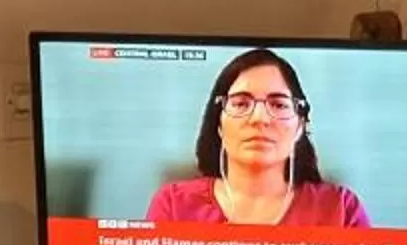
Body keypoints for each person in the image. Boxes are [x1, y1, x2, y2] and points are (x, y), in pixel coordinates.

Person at [146, 48, 372, 230]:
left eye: (278, 105)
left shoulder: (341, 208)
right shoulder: (174, 204)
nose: (259, 118)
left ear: (300, 127)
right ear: (219, 124)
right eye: (241, 103)